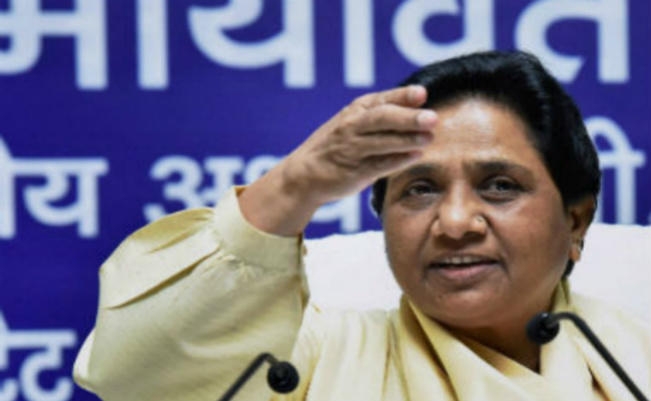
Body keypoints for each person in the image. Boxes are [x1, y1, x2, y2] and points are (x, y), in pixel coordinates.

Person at [73, 51, 651, 401]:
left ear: (576, 222)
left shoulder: (635, 356)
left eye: (499, 185)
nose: (454, 222)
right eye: (419, 189)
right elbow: (137, 377)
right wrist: (295, 184)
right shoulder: (310, 361)